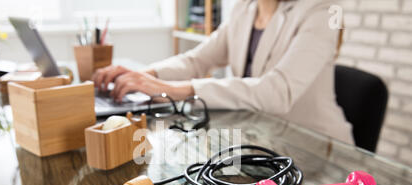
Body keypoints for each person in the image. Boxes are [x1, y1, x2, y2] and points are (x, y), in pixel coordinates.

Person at [93, 0, 354, 144]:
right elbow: (199, 59)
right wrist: (144, 75)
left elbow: (278, 91)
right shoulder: (245, 8)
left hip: (316, 149)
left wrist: (175, 90)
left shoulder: (325, 10)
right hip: (262, 140)